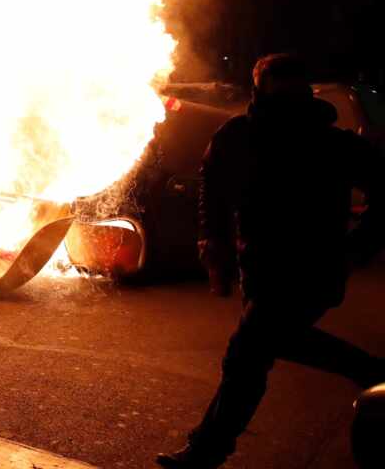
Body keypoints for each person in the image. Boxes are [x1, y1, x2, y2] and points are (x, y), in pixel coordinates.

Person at [158, 53, 385, 468]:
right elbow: (213, 182)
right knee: (267, 346)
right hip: (261, 269)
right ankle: (373, 372)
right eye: (277, 91)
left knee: (247, 353)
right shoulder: (240, 135)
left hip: (314, 270)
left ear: (304, 92)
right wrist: (214, 240)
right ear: (260, 90)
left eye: (292, 91)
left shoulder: (331, 144)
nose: (286, 101)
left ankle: (206, 452)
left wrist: (354, 251)